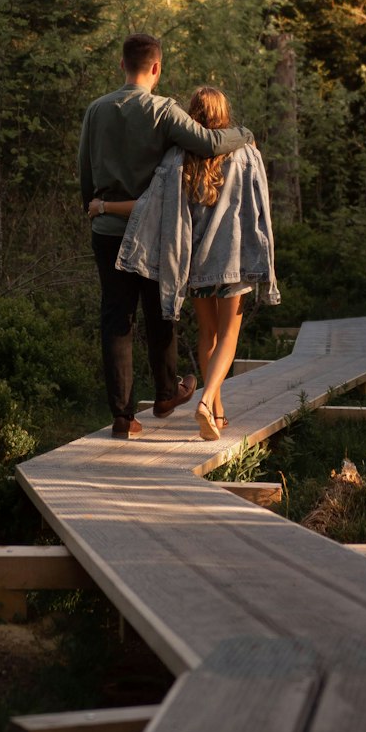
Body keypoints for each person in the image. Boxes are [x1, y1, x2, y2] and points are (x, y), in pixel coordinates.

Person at [78, 35, 254, 439]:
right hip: (154, 232)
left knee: (115, 320)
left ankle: (123, 418)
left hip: (107, 230)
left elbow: (85, 172)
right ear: (156, 68)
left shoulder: (96, 111)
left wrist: (95, 206)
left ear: (122, 65)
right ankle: (164, 393)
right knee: (161, 312)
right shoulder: (163, 111)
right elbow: (209, 143)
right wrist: (243, 135)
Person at [113, 85, 279, 442]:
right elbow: (258, 204)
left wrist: (106, 208)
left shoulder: (176, 157)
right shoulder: (246, 153)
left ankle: (217, 412)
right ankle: (206, 402)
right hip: (232, 258)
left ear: (192, 115)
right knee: (229, 334)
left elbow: (152, 207)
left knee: (208, 334)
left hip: (197, 261)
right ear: (225, 114)